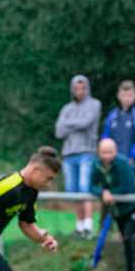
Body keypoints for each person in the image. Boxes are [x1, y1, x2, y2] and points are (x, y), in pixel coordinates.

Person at [90, 139, 135, 271]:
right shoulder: (97, 165)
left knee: (129, 237)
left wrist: (109, 193)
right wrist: (103, 192)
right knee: (126, 240)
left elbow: (127, 187)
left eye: (109, 152)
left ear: (115, 151)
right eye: (103, 152)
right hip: (118, 209)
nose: (106, 155)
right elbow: (92, 186)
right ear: (99, 152)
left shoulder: (123, 164)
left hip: (133, 206)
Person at [55, 75, 101, 238]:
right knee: (72, 190)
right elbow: (59, 131)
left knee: (84, 187)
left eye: (82, 88)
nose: (79, 91)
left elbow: (86, 123)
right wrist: (74, 123)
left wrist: (69, 123)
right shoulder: (67, 109)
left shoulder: (94, 105)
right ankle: (80, 226)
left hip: (86, 153)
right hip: (69, 154)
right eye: (76, 88)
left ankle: (89, 225)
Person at [101, 80, 135, 178]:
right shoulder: (112, 115)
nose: (127, 98)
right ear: (118, 95)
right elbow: (105, 137)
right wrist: (107, 155)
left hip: (132, 164)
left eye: (130, 95)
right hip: (112, 164)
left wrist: (132, 156)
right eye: (124, 95)